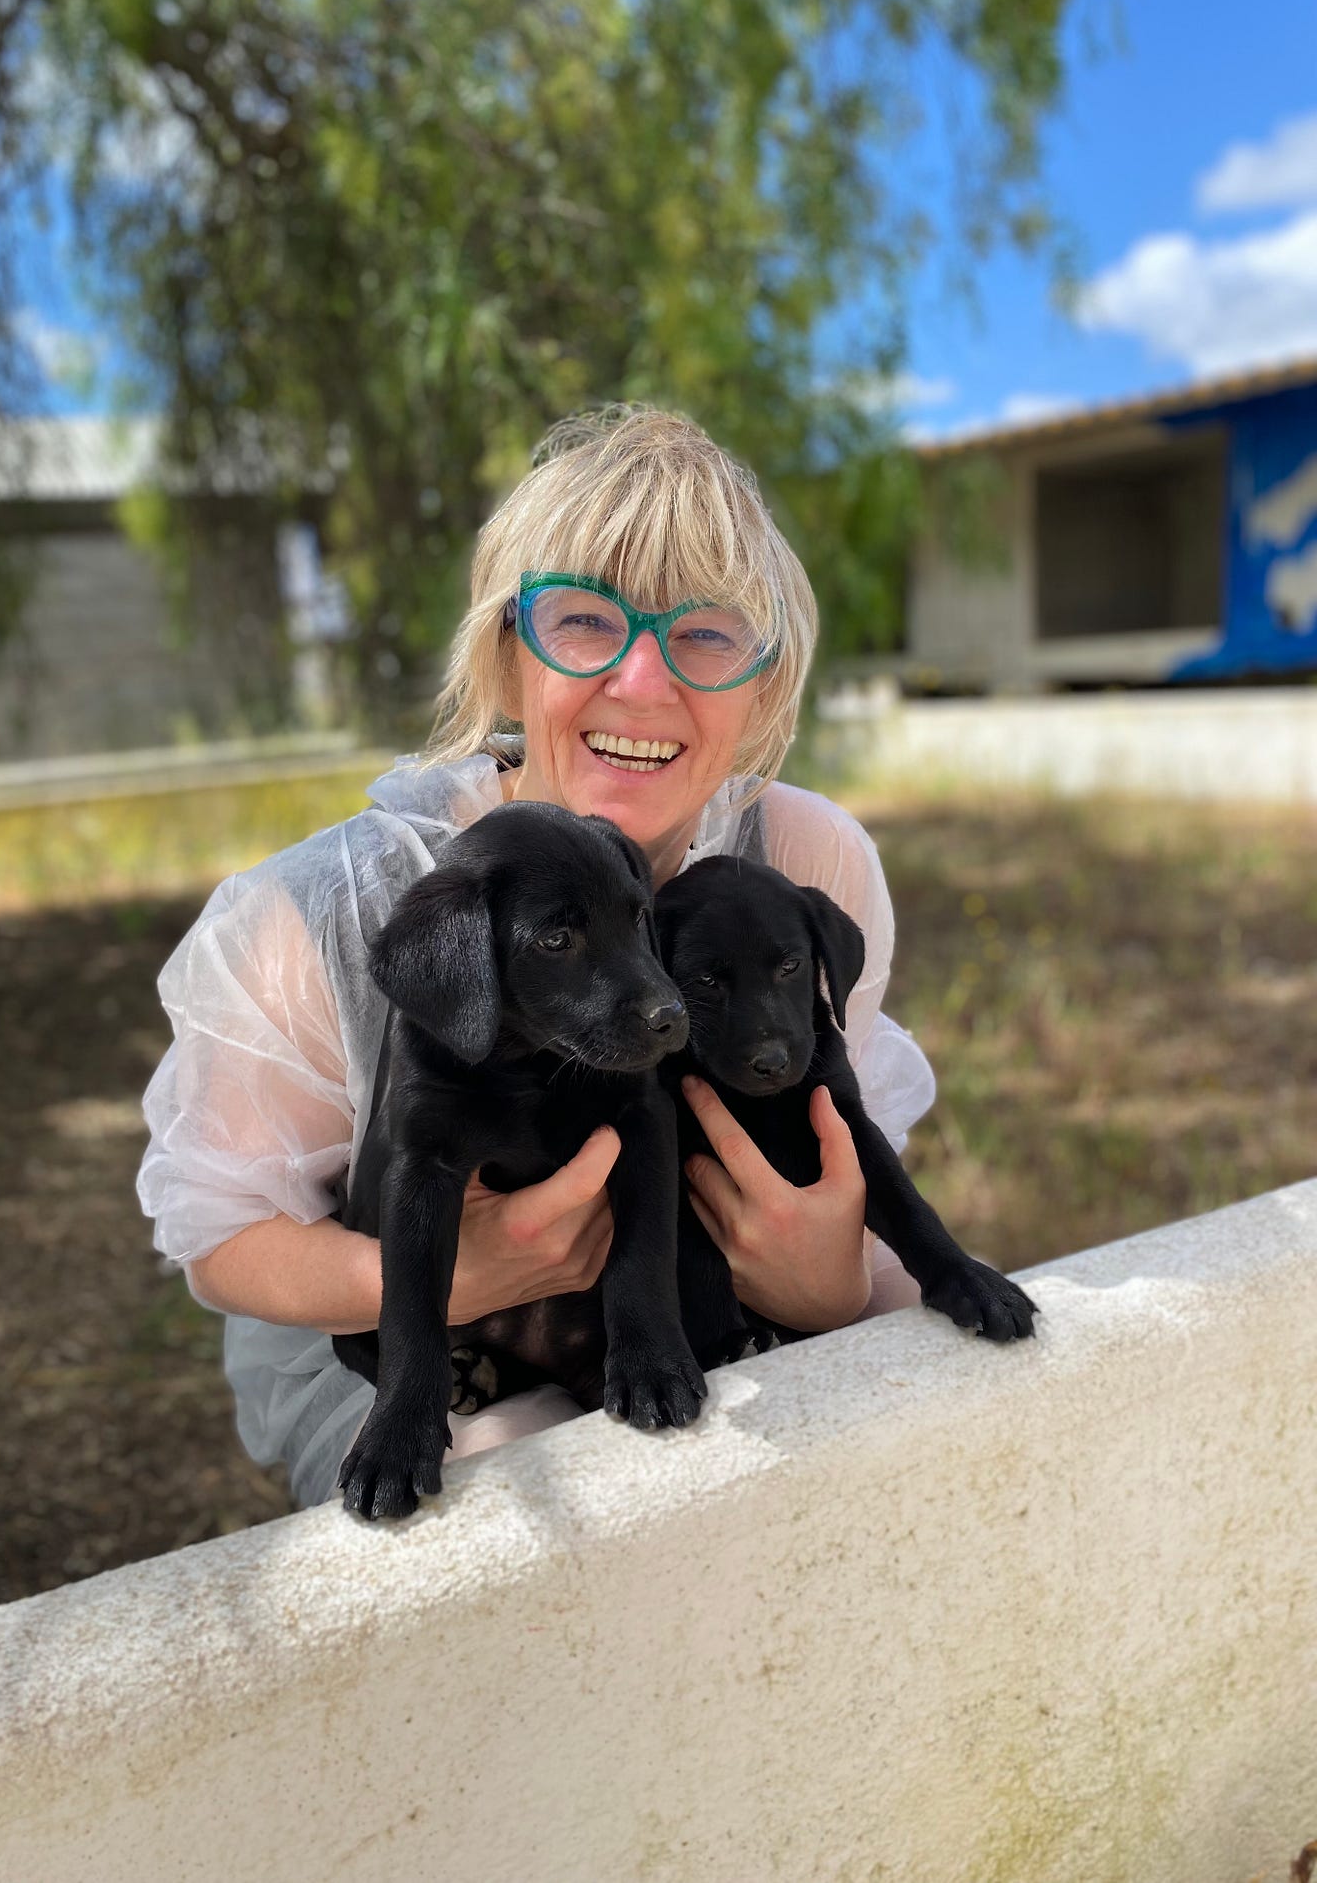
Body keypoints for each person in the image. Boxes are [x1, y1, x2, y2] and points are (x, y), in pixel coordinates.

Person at [137, 405, 934, 1508]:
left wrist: (833, 1283)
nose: (644, 684)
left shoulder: (801, 861)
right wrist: (453, 1279)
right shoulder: (320, 911)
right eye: (583, 622)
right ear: (509, 659)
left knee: (918, 1386)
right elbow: (222, 1238)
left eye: (706, 634)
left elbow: (835, 1155)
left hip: (693, 1289)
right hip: (376, 1332)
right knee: (510, 1475)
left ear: (763, 680)